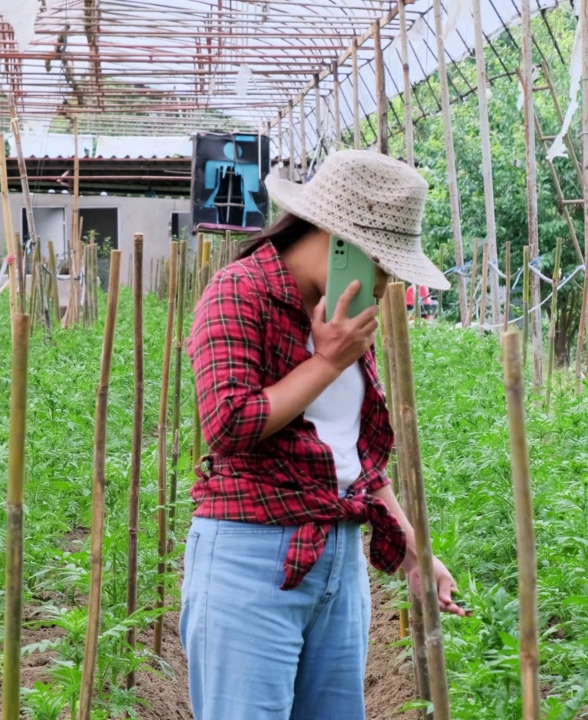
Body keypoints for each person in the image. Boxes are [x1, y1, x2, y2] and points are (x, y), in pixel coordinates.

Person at [183, 149, 466, 720]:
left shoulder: (341, 318)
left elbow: (354, 457)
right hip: (252, 557)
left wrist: (414, 550)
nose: (385, 286)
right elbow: (228, 425)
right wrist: (328, 361)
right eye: (383, 266)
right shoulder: (239, 293)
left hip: (338, 559)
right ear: (342, 242)